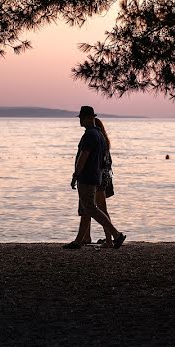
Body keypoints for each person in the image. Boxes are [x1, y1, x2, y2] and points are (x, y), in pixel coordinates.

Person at [63, 106, 126, 249]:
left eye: (81, 117)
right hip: (95, 176)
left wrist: (76, 175)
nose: (79, 120)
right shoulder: (100, 135)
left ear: (88, 118)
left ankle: (116, 235)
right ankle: (79, 241)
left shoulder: (90, 135)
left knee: (91, 208)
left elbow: (83, 156)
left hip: (87, 177)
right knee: (87, 209)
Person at [75, 117, 115, 247]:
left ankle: (110, 238)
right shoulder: (104, 141)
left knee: (93, 208)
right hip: (103, 177)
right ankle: (86, 237)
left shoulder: (95, 139)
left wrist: (77, 173)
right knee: (90, 207)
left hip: (96, 177)